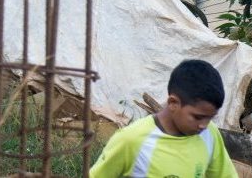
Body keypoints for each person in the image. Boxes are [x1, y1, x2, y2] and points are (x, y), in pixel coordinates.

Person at [89, 60, 233, 178]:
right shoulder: (132, 140)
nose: (204, 125)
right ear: (173, 103)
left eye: (210, 118)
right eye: (198, 117)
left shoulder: (209, 134)